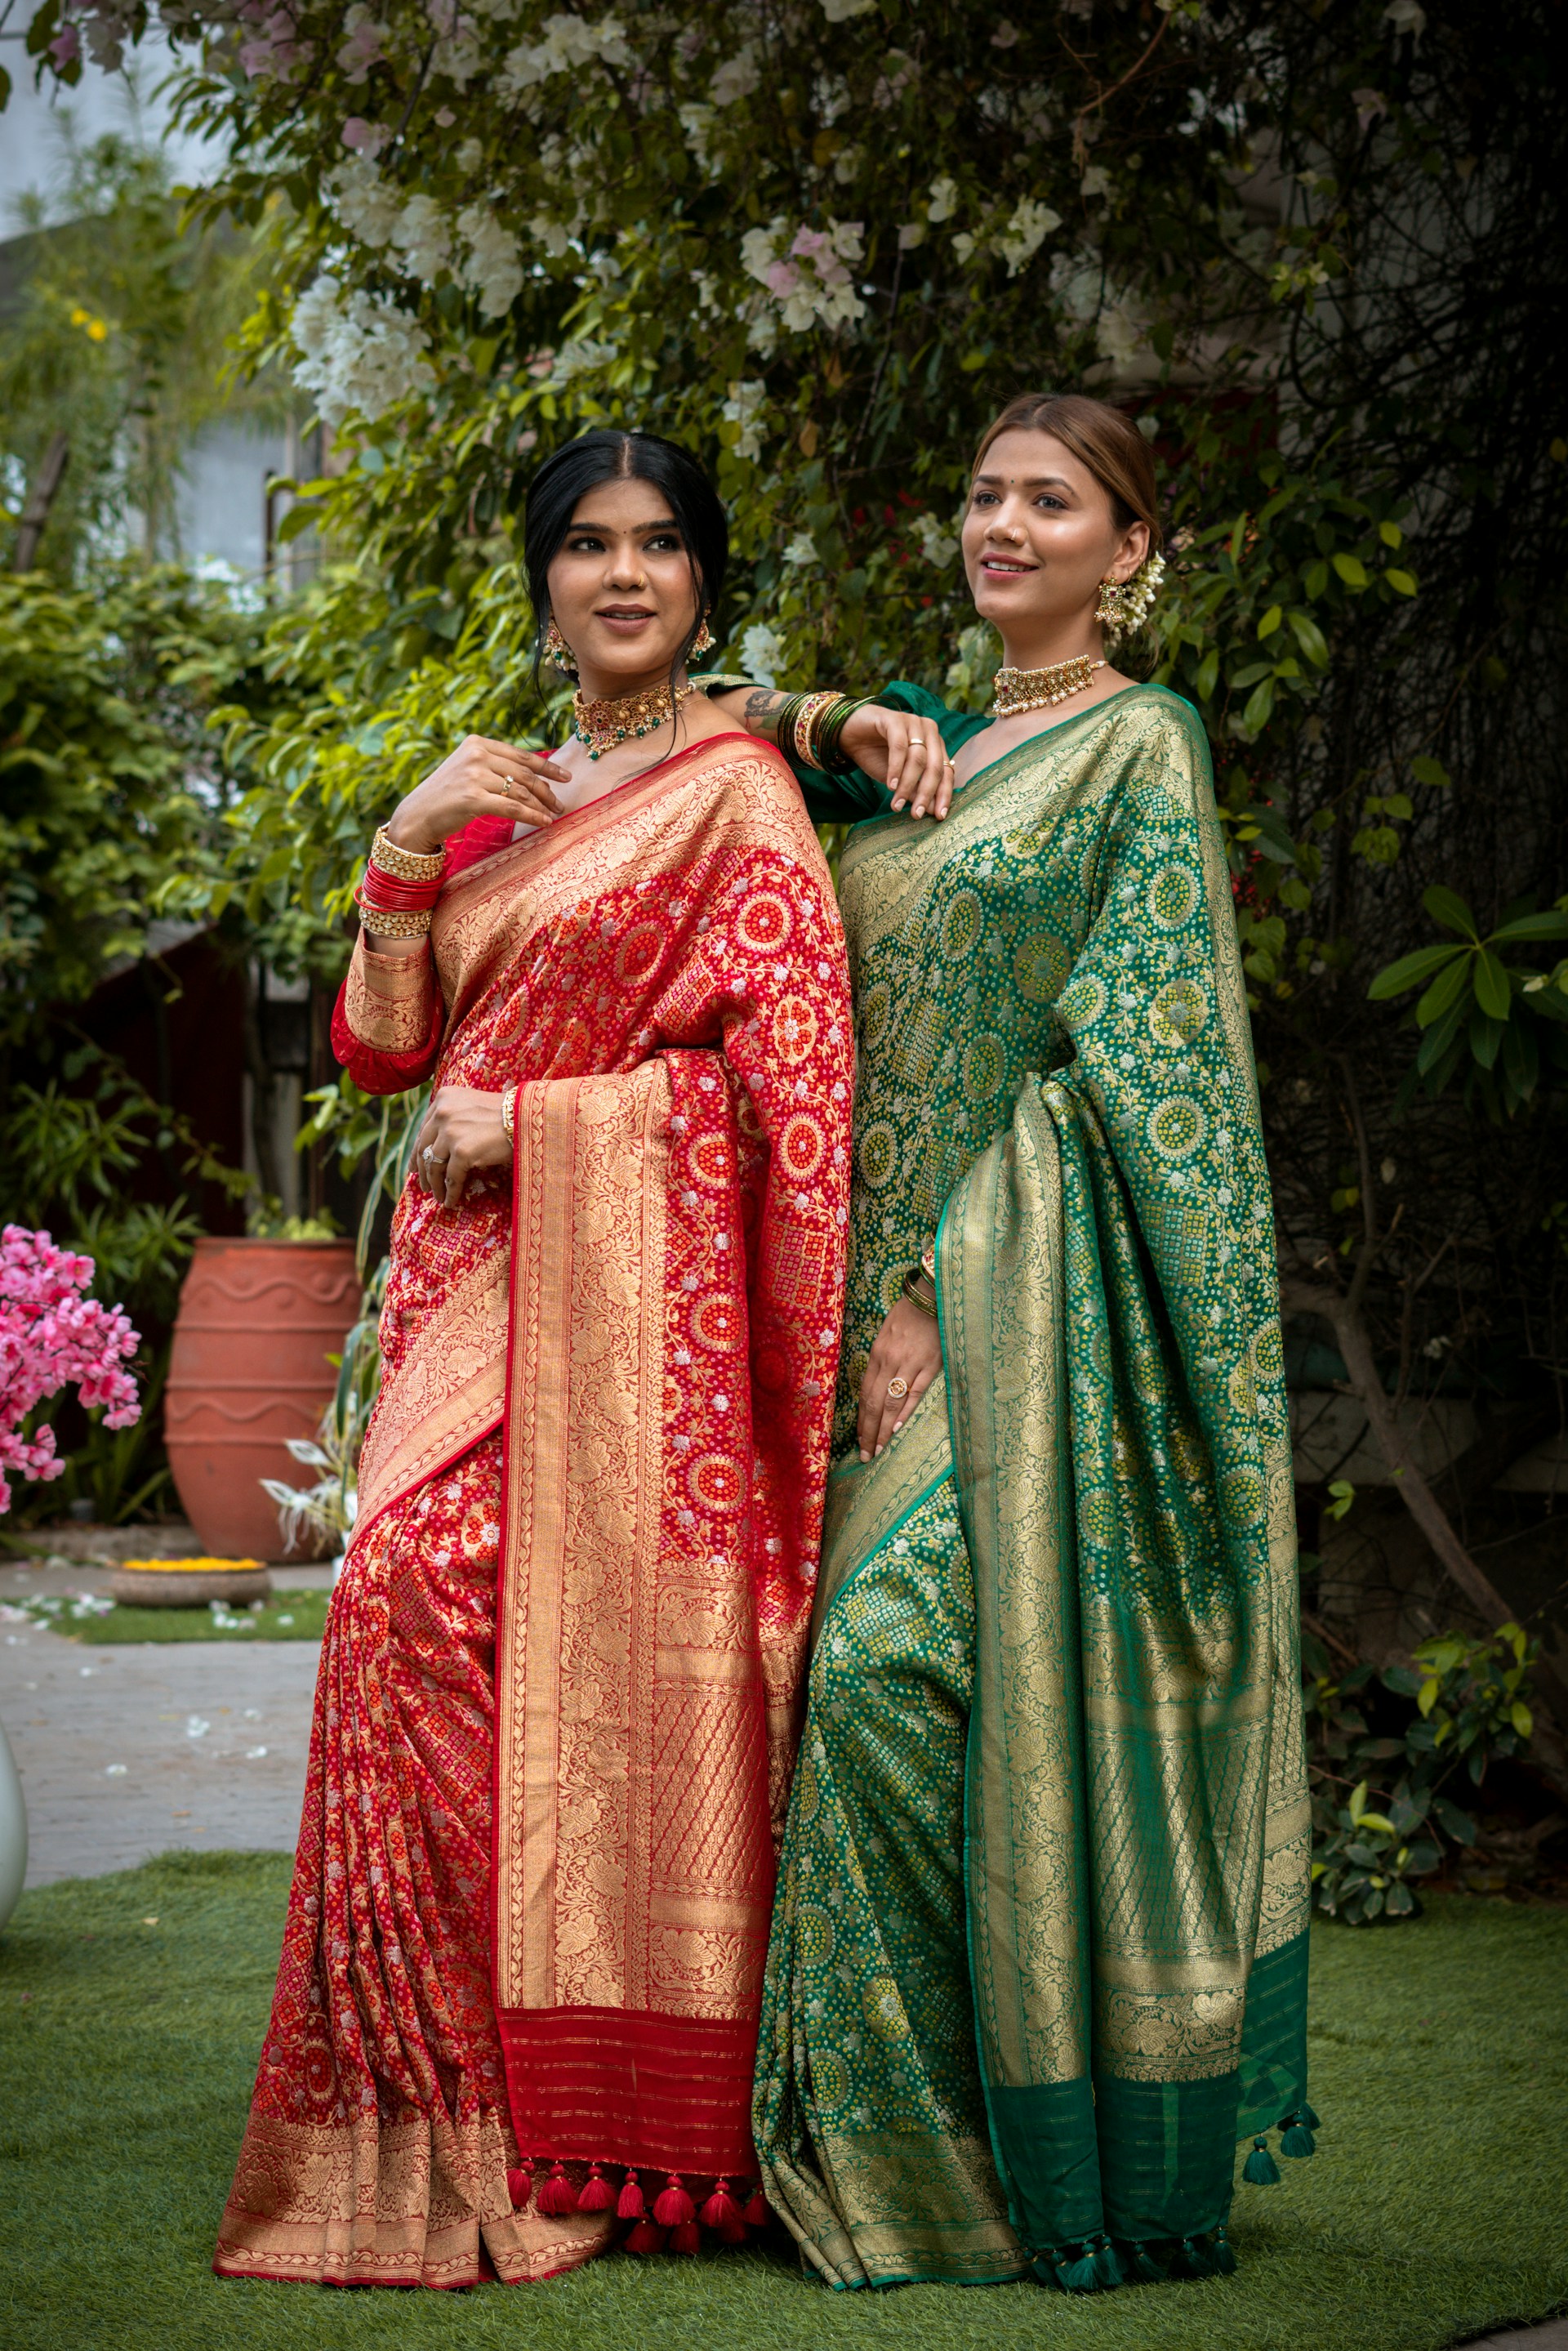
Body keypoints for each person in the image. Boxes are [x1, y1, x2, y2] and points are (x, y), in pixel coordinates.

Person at [213, 427, 869, 2289]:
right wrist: (408, 841)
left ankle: (562, 2109)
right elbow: (376, 1040)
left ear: (704, 583)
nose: (625, 574)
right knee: (394, 1619)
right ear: (546, 581)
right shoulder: (505, 792)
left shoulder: (740, 794)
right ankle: (436, 2112)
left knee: (435, 1601)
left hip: (616, 1288)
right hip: (461, 1291)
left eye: (660, 544)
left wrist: (554, 1128)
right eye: (589, 545)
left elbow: (795, 1094)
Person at [724, 393, 1313, 2291]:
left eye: (1051, 501)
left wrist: (931, 1289)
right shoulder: (924, 747)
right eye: (984, 492)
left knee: (885, 1682)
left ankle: (959, 2159)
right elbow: (685, 735)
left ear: (1129, 552)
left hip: (1009, 1313)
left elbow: (1133, 1061)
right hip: (823, 1311)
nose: (1003, 523)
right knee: (830, 1690)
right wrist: (830, 720)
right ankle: (913, 2136)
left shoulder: (1143, 746)